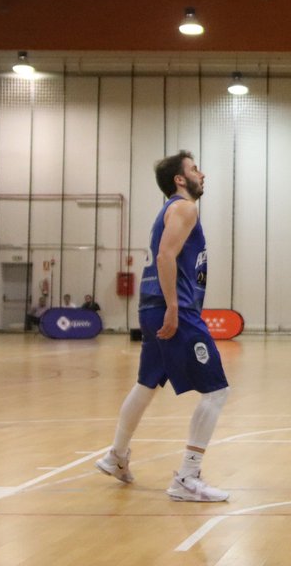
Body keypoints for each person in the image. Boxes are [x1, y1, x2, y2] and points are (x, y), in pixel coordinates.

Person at [95, 150, 229, 502]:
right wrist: (174, 306)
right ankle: (187, 477)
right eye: (195, 169)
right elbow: (165, 255)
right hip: (176, 309)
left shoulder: (167, 211)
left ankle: (116, 455)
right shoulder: (184, 208)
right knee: (216, 391)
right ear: (180, 180)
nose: (203, 174)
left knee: (146, 384)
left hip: (154, 305)